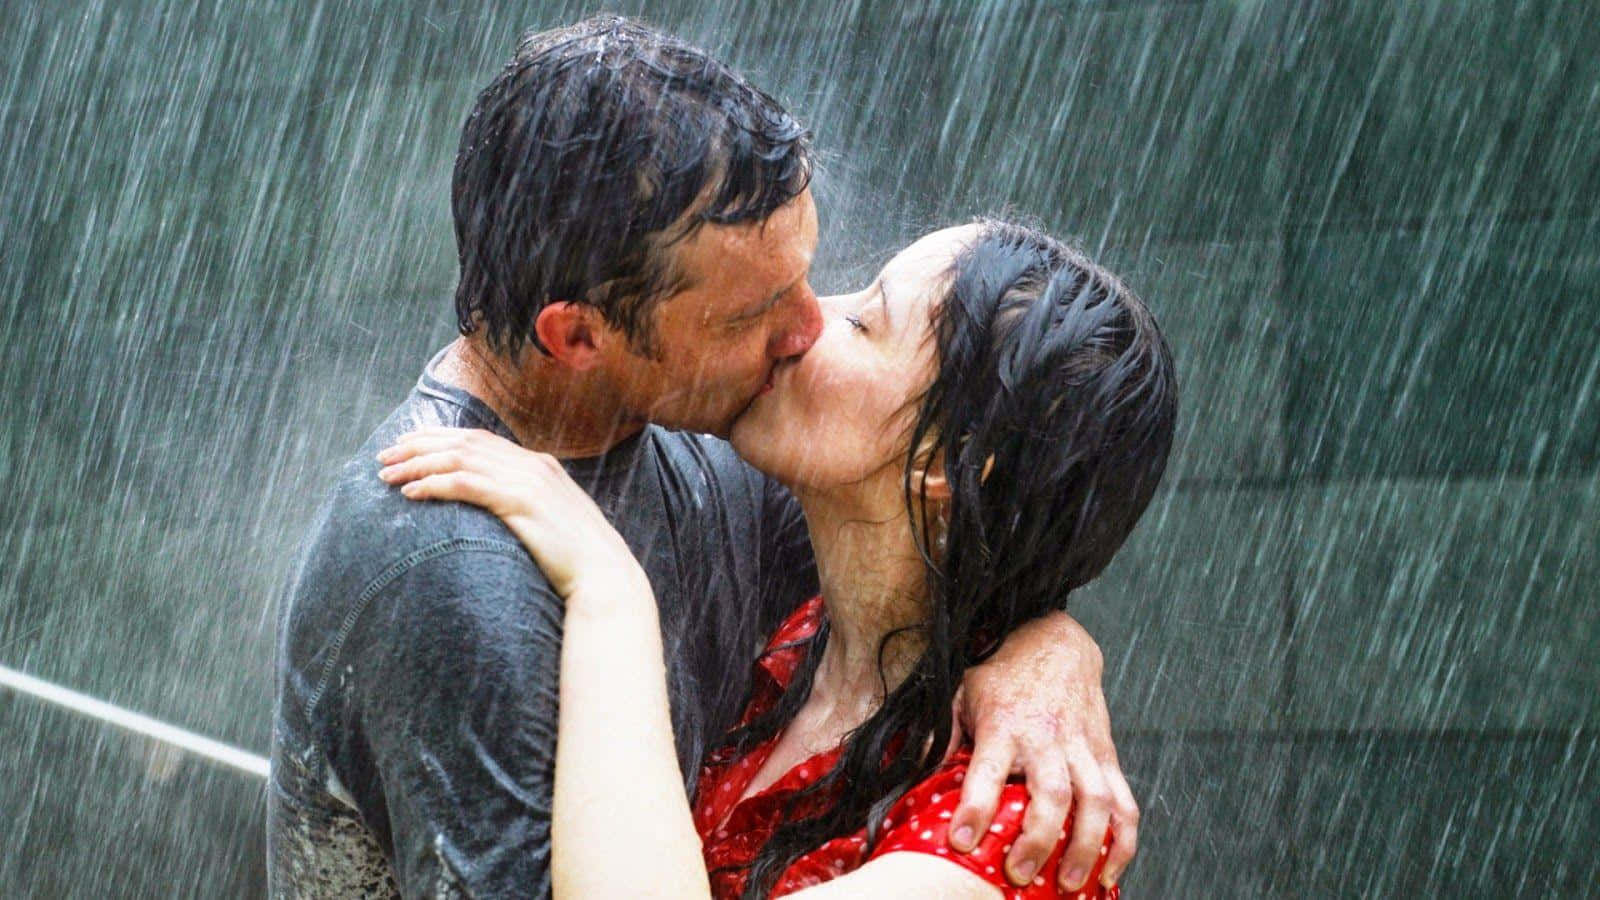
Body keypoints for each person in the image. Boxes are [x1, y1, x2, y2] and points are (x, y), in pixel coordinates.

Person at [270, 16, 1136, 899]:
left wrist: (1051, 645)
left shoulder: (727, 457)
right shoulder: (455, 578)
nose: (806, 328)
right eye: (749, 312)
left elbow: (966, 549)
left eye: (834, 291)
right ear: (577, 335)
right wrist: (612, 595)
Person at [378, 219, 1177, 898]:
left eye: (866, 321)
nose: (802, 323)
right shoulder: (798, 634)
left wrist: (608, 587)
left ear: (950, 462)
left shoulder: (1018, 820)